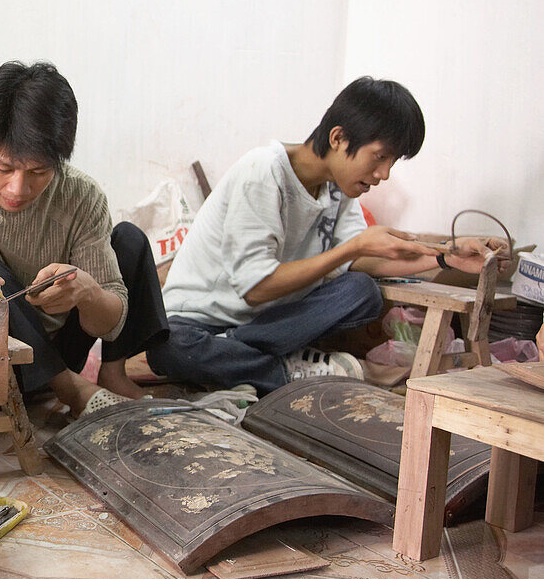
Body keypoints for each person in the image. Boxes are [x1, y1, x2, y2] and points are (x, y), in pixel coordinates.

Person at [147, 76, 508, 396]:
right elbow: (256, 287)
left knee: (361, 291)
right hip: (201, 320)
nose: (383, 174)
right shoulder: (263, 172)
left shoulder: (337, 187)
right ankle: (283, 371)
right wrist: (351, 248)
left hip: (262, 324)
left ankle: (239, 357)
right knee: (169, 347)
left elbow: (362, 259)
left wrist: (444, 256)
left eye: (391, 163)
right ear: (338, 137)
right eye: (379, 157)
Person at [0, 61, 168, 417]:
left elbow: (108, 324)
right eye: (3, 168)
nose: (18, 188)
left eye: (39, 172)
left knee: (128, 239)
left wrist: (86, 291)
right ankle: (71, 388)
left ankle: (110, 375)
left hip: (59, 346)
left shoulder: (81, 195)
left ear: (59, 161)